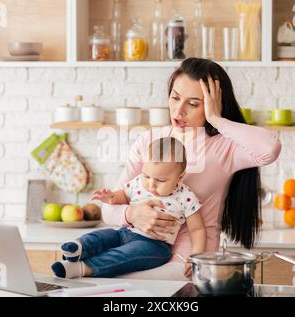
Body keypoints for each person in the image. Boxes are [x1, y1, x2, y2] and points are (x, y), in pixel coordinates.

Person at [102, 57, 282, 281]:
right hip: (139, 249)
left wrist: (217, 119)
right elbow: (108, 210)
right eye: (175, 98)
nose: (179, 110)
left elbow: (270, 149)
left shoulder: (225, 146)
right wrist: (131, 213)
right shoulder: (149, 141)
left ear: (212, 104)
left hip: (191, 261)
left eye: (194, 103)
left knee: (127, 285)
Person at [51, 137, 206, 278]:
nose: (151, 185)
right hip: (125, 232)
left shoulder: (186, 197)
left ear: (180, 176)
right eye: (147, 176)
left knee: (123, 256)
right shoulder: (138, 182)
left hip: (154, 246)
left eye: (160, 180)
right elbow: (122, 196)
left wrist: (195, 257)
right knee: (102, 236)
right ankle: (78, 248)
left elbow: (197, 230)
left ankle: (82, 268)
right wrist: (110, 197)